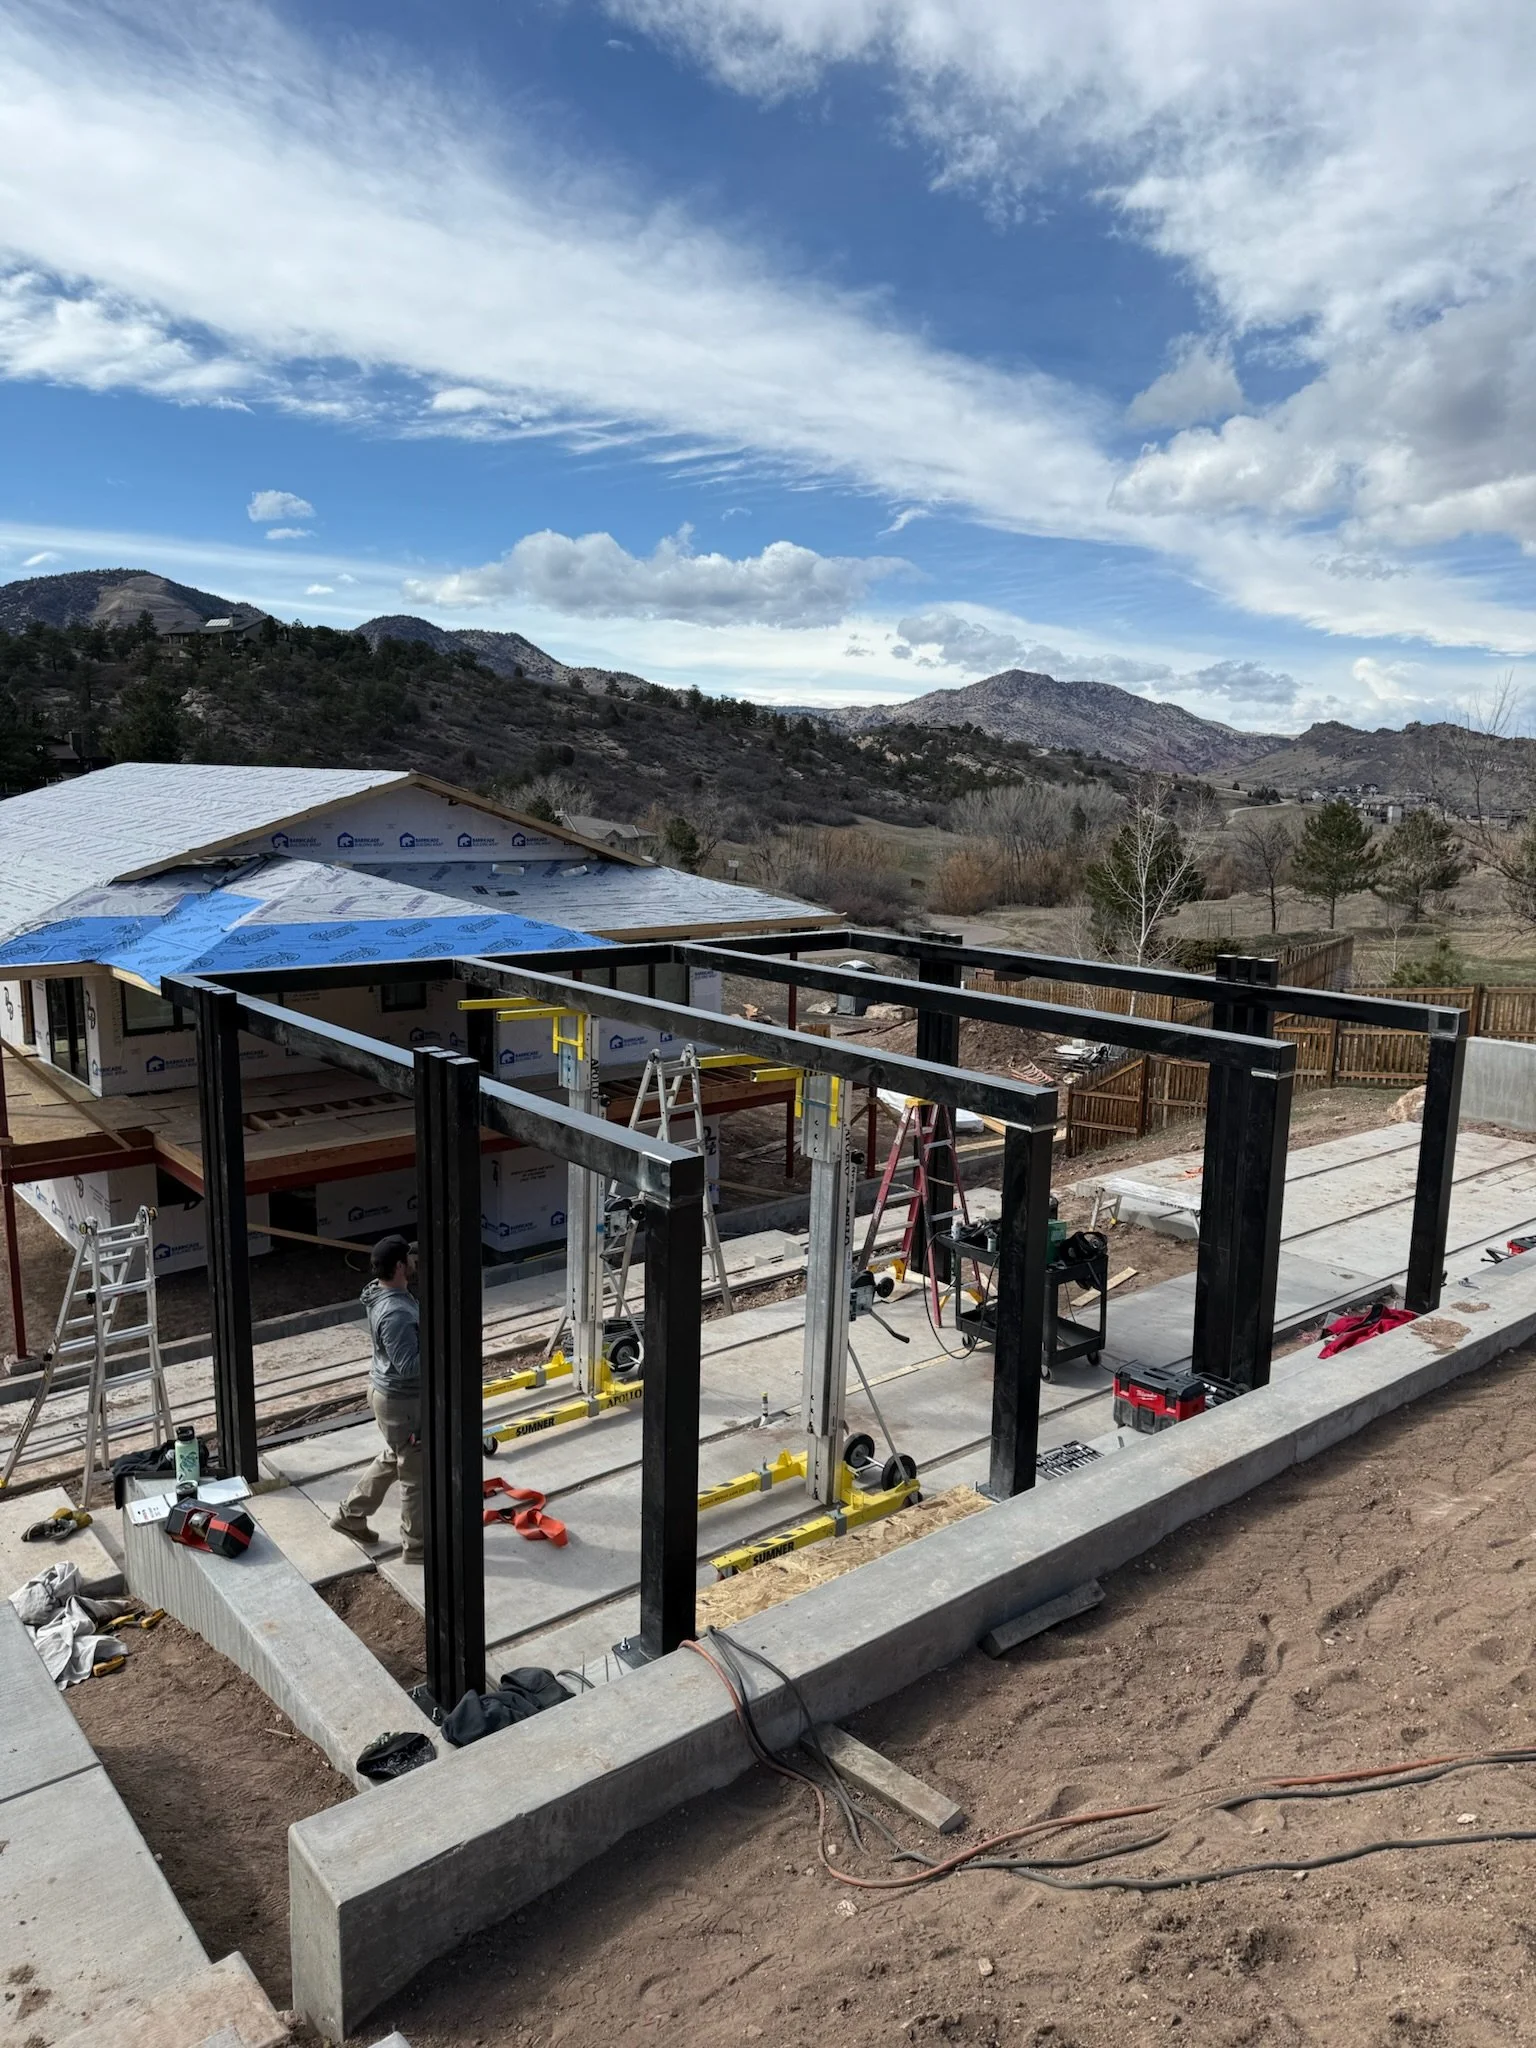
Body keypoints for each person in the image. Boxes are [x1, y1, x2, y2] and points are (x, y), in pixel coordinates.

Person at [330, 1234, 423, 1562]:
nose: (414, 1262)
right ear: (399, 1266)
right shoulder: (396, 1312)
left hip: (389, 1396)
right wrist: (442, 1343)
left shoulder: (383, 1291)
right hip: (401, 1401)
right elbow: (409, 1366)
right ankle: (417, 1548)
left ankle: (351, 1515)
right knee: (415, 1474)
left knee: (397, 1455)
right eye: (409, 1258)